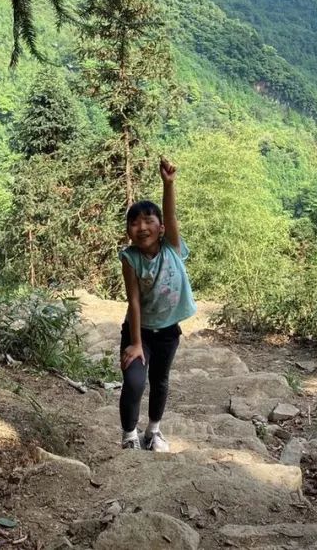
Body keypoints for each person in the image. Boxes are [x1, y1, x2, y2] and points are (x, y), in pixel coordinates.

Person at [118, 156, 197, 451]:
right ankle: (129, 435)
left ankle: (153, 432)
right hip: (138, 331)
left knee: (160, 381)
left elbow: (171, 214)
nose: (141, 227)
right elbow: (133, 300)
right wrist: (136, 343)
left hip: (167, 331)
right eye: (134, 222)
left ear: (161, 228)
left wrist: (168, 184)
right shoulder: (130, 258)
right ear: (129, 231)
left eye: (149, 221)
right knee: (136, 381)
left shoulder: (173, 249)